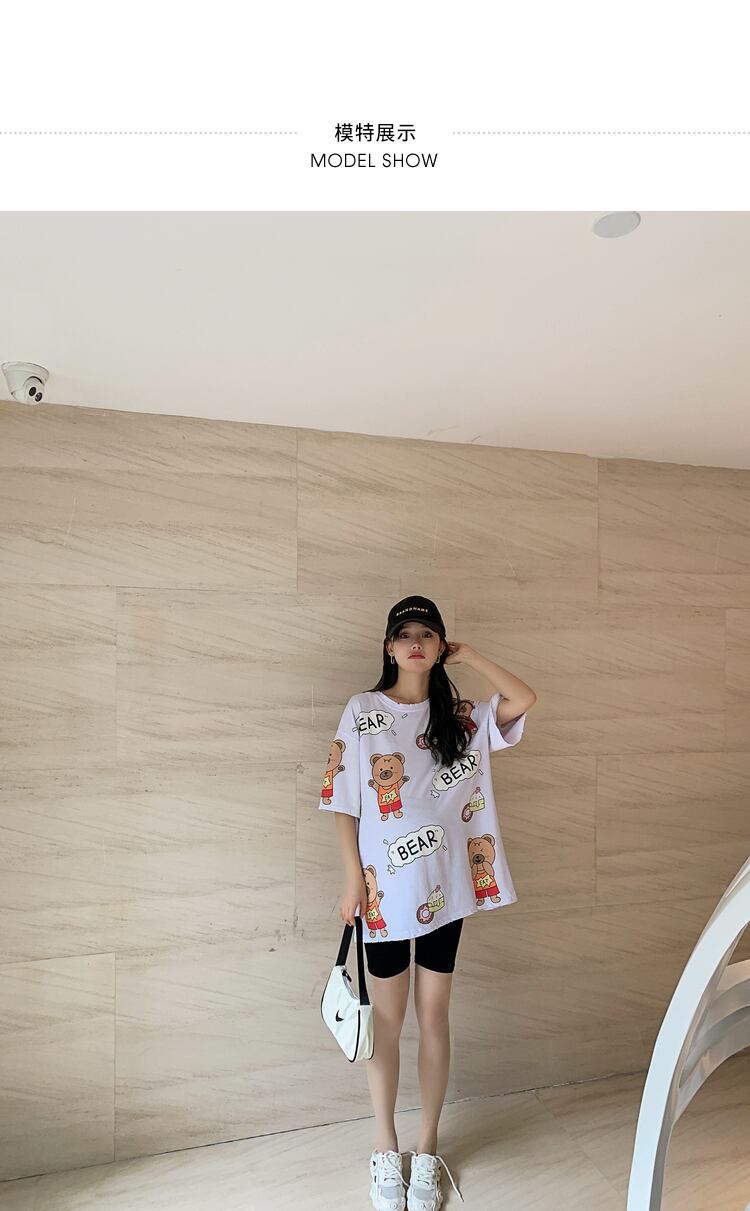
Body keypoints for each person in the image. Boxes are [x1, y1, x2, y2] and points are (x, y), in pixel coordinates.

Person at [319, 595, 537, 1211]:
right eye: (405, 634)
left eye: (428, 635)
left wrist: (472, 656)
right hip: (383, 895)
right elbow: (342, 801)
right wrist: (352, 880)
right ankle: (385, 1148)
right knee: (387, 1023)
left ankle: (427, 1146)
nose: (416, 643)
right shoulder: (363, 712)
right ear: (389, 647)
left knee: (434, 1016)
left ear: (440, 646)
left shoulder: (460, 718)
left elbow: (523, 699)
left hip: (446, 889)